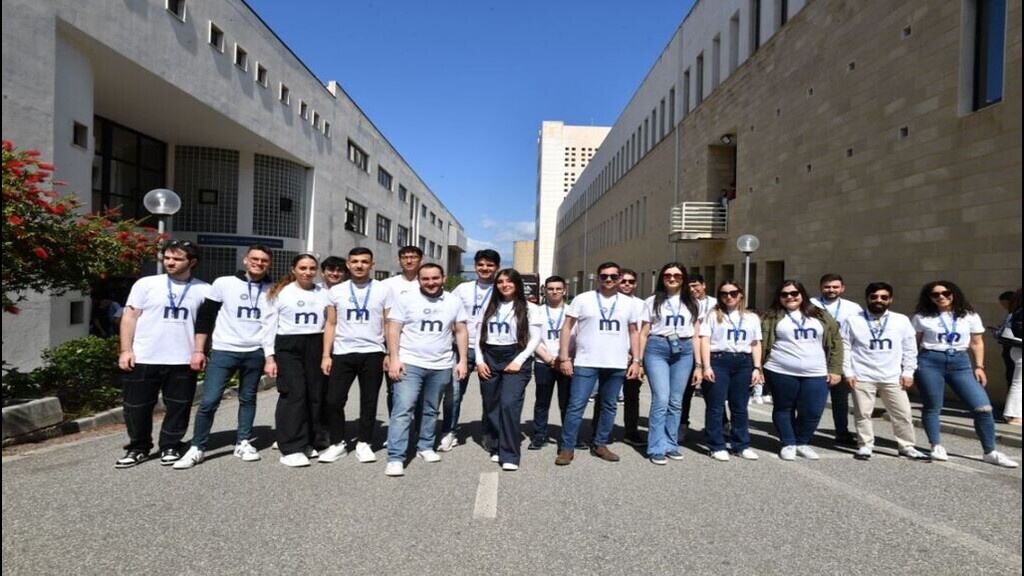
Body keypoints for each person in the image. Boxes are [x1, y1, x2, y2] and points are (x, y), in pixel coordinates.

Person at [174, 245, 273, 469]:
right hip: (224, 350)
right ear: (246, 260)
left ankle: (243, 442)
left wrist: (269, 356)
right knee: (209, 400)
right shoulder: (223, 283)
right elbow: (206, 318)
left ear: (269, 264)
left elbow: (272, 325)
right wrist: (199, 350)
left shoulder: (273, 289)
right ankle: (197, 447)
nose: (259, 263)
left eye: (264, 260)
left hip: (255, 351)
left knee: (248, 398)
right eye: (255, 259)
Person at [115, 239, 210, 468]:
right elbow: (129, 317)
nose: (170, 262)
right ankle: (138, 447)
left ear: (192, 262)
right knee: (136, 407)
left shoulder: (204, 289)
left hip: (182, 358)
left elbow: (205, 325)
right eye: (167, 257)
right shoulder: (146, 284)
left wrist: (200, 352)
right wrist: (126, 350)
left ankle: (170, 444)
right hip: (144, 356)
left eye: (177, 258)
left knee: (179, 405)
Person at [912, 281, 1017, 467]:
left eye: (945, 293)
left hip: (960, 363)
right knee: (932, 406)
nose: (941, 297)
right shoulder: (922, 317)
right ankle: (936, 445)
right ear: (929, 298)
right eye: (935, 295)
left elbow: (977, 343)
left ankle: (990, 451)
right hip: (929, 361)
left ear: (954, 294)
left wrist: (979, 367)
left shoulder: (969, 316)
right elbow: (914, 344)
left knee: (983, 407)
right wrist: (909, 368)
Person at [384, 263, 469, 476]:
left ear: (443, 277)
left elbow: (460, 331)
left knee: (431, 409)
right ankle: (396, 457)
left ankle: (425, 446)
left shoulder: (453, 301)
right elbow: (393, 329)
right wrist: (394, 358)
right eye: (426, 279)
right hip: (410, 362)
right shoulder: (405, 299)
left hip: (440, 364)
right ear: (419, 280)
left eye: (435, 278)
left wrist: (463, 360)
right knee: (403, 408)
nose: (431, 283)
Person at [556, 262, 641, 466]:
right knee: (576, 405)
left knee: (609, 405)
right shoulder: (583, 299)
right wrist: (564, 357)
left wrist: (637, 360)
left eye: (613, 276)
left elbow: (634, 331)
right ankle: (567, 447)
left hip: (616, 362)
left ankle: (600, 443)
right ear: (598, 278)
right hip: (586, 361)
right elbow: (566, 328)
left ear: (620, 278)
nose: (609, 280)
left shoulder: (629, 304)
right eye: (604, 276)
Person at [320, 247, 393, 464]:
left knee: (369, 401)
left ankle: (364, 442)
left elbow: (389, 323)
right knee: (333, 400)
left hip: (373, 352)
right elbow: (330, 323)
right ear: (348, 265)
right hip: (343, 352)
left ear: (372, 264)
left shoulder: (383, 290)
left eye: (364, 261)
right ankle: (337, 443)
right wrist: (326, 355)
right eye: (354, 261)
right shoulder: (336, 291)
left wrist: (390, 352)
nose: (359, 265)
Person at [840, 282, 927, 461]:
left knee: (902, 413)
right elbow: (845, 347)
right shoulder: (853, 319)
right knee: (863, 413)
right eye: (874, 297)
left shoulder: (901, 320)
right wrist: (847, 372)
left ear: (890, 299)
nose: (879, 300)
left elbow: (910, 348)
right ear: (867, 298)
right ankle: (865, 445)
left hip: (892, 376)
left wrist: (908, 372)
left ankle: (907, 446)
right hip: (862, 375)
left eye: (883, 297)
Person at [761, 280, 842, 461]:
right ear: (779, 297)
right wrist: (758, 368)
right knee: (784, 408)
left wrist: (835, 369)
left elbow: (836, 341)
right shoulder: (771, 317)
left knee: (813, 410)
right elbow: (760, 343)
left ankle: (802, 442)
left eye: (794, 293)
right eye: (784, 294)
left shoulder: (820, 315)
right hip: (780, 370)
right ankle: (788, 443)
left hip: (816, 371)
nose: (790, 297)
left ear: (802, 294)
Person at [262, 253, 331, 467]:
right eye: (303, 268)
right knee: (294, 393)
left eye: (312, 268)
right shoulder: (281, 292)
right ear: (294, 269)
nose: (308, 272)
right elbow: (268, 325)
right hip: (289, 345)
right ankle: (290, 446)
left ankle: (310, 440)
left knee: (315, 395)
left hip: (316, 343)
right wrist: (269, 357)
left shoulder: (324, 293)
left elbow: (330, 322)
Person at [476, 269, 542, 470]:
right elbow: (478, 337)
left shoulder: (530, 308)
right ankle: (496, 446)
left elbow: (535, 339)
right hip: (490, 356)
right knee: (492, 405)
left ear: (517, 284)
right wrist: (480, 361)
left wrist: (519, 360)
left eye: (509, 281)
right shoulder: (489, 306)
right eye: (500, 282)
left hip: (515, 356)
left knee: (509, 404)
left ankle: (510, 455)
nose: (504, 285)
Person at [639, 263, 701, 465]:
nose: (672, 278)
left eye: (677, 275)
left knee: (676, 400)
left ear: (683, 278)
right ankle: (656, 446)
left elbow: (697, 335)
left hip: (684, 351)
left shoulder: (692, 302)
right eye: (668, 274)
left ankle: (671, 444)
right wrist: (638, 361)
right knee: (661, 398)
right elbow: (643, 332)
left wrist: (699, 365)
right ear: (662, 278)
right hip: (657, 348)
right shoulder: (652, 301)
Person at [444, 249, 500, 452]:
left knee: (491, 396)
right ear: (475, 266)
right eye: (481, 264)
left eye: (490, 265)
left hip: (490, 349)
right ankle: (449, 431)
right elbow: (448, 311)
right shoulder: (462, 288)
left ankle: (488, 434)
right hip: (462, 348)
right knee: (454, 394)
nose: (485, 268)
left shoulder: (501, 289)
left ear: (497, 268)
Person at [699, 280, 762, 462]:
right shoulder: (713, 315)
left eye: (733, 293)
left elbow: (756, 343)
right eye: (724, 293)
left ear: (740, 294)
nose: (729, 297)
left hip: (743, 362)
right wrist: (706, 366)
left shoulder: (752, 317)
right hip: (718, 361)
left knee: (740, 407)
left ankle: (741, 445)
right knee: (716, 406)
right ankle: (716, 445)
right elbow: (704, 340)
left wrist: (757, 367)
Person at [811, 273, 862, 448]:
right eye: (827, 287)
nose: (831, 290)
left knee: (840, 401)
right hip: (815, 357)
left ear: (842, 288)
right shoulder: (811, 305)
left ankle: (842, 433)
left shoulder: (853, 308)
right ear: (820, 288)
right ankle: (805, 431)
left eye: (835, 287)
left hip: (840, 358)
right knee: (812, 399)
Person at [528, 276, 573, 450]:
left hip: (566, 362)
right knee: (542, 401)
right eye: (550, 288)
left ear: (564, 290)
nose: (554, 291)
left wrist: (565, 358)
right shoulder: (537, 311)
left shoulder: (571, 310)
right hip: (543, 362)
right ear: (544, 291)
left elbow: (576, 337)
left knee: (567, 402)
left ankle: (569, 436)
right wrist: (549, 359)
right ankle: (540, 435)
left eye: (558, 288)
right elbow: (533, 339)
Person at [382, 246, 424, 413]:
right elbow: (383, 318)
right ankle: (396, 430)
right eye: (405, 257)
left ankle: (418, 429)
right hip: (393, 343)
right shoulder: (387, 284)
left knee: (420, 391)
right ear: (399, 260)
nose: (409, 260)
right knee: (394, 389)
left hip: (418, 345)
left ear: (421, 260)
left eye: (413, 257)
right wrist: (388, 352)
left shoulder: (428, 282)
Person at [682, 273, 717, 438]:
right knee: (686, 391)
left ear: (704, 285)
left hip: (711, 350)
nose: (692, 289)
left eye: (695, 285)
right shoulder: (685, 303)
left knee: (714, 390)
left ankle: (722, 424)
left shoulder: (716, 303)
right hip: (690, 349)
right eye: (689, 286)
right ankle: (682, 424)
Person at [618, 269, 648, 447]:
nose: (627, 284)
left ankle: (631, 431)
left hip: (634, 357)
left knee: (632, 395)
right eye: (623, 281)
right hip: (612, 355)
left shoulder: (642, 305)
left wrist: (639, 359)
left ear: (636, 284)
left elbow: (644, 332)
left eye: (631, 281)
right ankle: (598, 431)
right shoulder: (610, 301)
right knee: (605, 395)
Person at [1001, 289, 1022, 426]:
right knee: (1019, 383)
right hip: (1020, 350)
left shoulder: (1016, 311)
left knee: (1018, 383)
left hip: (1017, 349)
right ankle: (1013, 415)